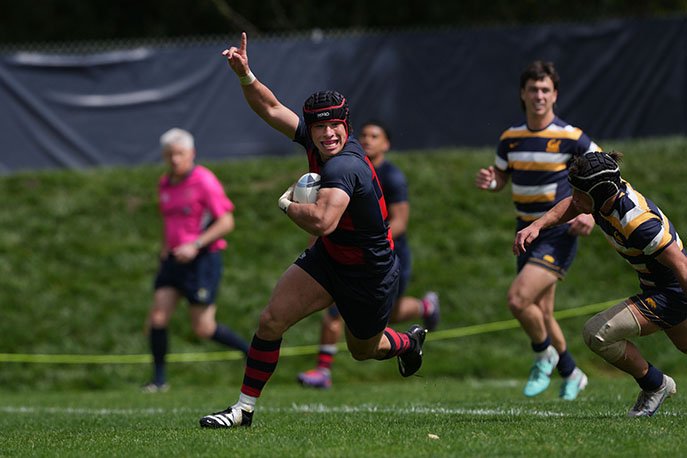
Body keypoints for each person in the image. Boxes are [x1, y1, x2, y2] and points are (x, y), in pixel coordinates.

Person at [199, 33, 426, 429]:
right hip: (329, 259)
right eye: (319, 128)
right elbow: (270, 108)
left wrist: (287, 204)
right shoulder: (319, 146)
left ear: (346, 125)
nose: (327, 135)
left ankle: (408, 341)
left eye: (334, 127)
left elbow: (323, 222)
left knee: (363, 349)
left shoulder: (345, 165)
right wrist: (245, 75)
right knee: (271, 320)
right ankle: (243, 410)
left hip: (368, 274)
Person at [514, 151, 686, 416]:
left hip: (672, 291)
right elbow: (572, 205)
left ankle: (655, 385)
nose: (574, 197)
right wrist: (538, 225)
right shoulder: (603, 199)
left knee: (597, 334)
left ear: (598, 194)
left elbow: (681, 265)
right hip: (660, 287)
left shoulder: (637, 223)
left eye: (579, 193)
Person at [475, 60, 599, 400]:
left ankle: (543, 353)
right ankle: (572, 372)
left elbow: (606, 173)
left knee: (518, 300)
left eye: (545, 89)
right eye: (533, 89)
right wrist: (492, 181)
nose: (539, 95)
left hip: (558, 232)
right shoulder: (510, 138)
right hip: (524, 232)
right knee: (541, 312)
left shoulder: (571, 137)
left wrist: (590, 213)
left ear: (555, 94)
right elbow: (502, 177)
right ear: (523, 94)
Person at [297, 120, 440, 389]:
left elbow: (400, 222)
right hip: (347, 258)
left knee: (388, 318)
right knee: (335, 313)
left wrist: (368, 240)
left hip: (385, 257)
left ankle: (424, 307)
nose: (368, 140)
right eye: (363, 135)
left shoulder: (392, 176)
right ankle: (323, 370)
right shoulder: (341, 170)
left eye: (375, 136)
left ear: (386, 144)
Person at [143, 127, 249, 392]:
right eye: (169, 155)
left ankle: (250, 353)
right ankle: (159, 381)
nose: (175, 159)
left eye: (179, 154)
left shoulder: (204, 181)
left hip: (202, 260)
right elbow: (170, 223)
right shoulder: (164, 184)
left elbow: (226, 221)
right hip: (172, 262)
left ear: (191, 153)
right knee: (157, 318)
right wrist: (164, 250)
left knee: (203, 328)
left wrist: (196, 244)